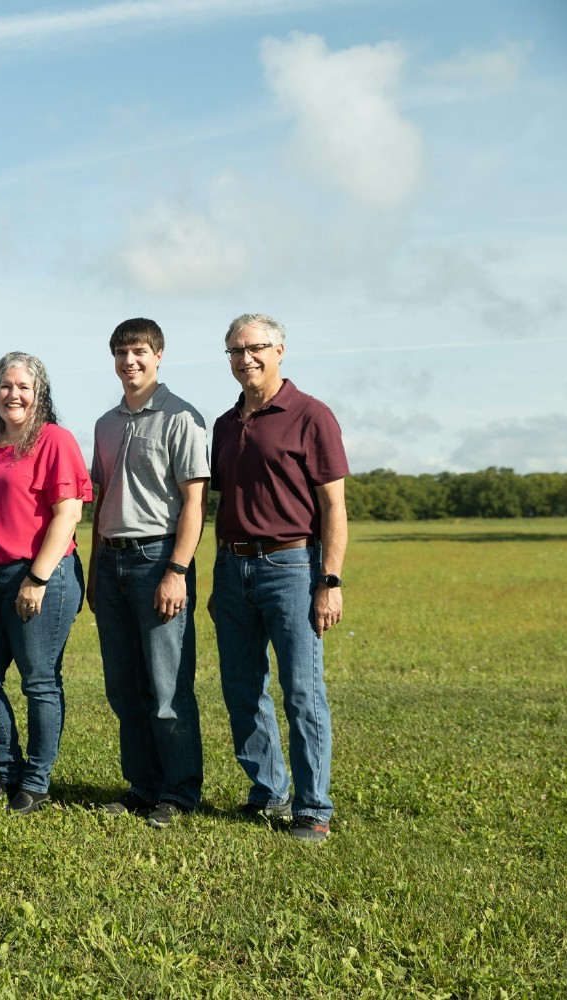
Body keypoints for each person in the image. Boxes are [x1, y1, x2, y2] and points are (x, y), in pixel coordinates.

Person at [210, 313, 348, 844]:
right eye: (235, 351)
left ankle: (313, 807)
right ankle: (269, 792)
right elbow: (219, 500)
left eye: (256, 347)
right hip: (232, 565)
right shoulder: (225, 424)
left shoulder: (312, 415)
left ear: (281, 350)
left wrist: (329, 580)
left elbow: (333, 505)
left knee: (302, 692)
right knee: (242, 690)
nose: (245, 358)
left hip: (292, 566)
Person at [0, 352, 91, 815]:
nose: (13, 394)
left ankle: (35, 781)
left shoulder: (54, 440)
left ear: (40, 394)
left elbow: (68, 514)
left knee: (38, 682)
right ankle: (8, 770)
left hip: (39, 577)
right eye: (5, 386)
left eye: (24, 387)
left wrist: (36, 577)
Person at [86, 318, 209, 829]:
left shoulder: (183, 418)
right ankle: (142, 786)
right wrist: (94, 572)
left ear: (159, 355)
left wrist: (177, 570)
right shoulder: (105, 423)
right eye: (120, 353)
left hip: (159, 560)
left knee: (166, 687)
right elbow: (99, 504)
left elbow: (195, 504)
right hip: (111, 561)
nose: (128, 361)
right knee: (124, 686)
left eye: (138, 351)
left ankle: (178, 792)